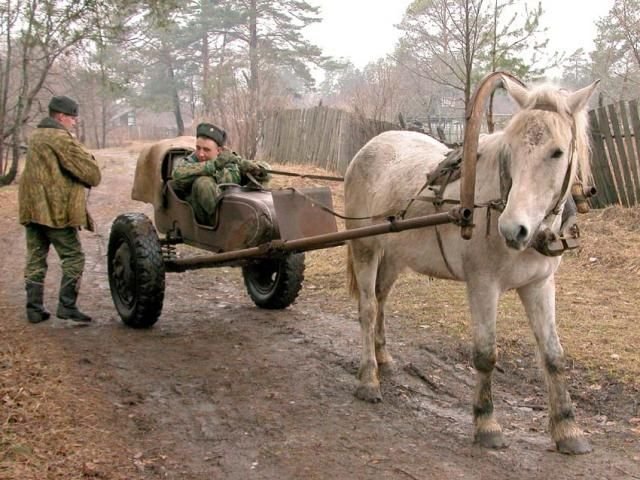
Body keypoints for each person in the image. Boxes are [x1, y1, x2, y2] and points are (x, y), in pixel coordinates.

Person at [19, 95, 102, 323]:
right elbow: (91, 174)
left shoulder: (35, 135)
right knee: (74, 257)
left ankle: (34, 309)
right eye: (72, 118)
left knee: (36, 257)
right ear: (62, 116)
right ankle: (67, 306)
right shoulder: (60, 138)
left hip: (32, 209)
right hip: (56, 210)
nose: (74, 122)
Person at [171, 122, 271, 225]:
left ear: (219, 150)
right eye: (198, 148)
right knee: (203, 182)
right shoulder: (191, 161)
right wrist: (214, 165)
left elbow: (267, 170)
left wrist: (253, 169)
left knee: (258, 179)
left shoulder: (229, 159)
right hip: (202, 216)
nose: (201, 154)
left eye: (206, 150)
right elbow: (177, 174)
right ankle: (227, 224)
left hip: (234, 210)